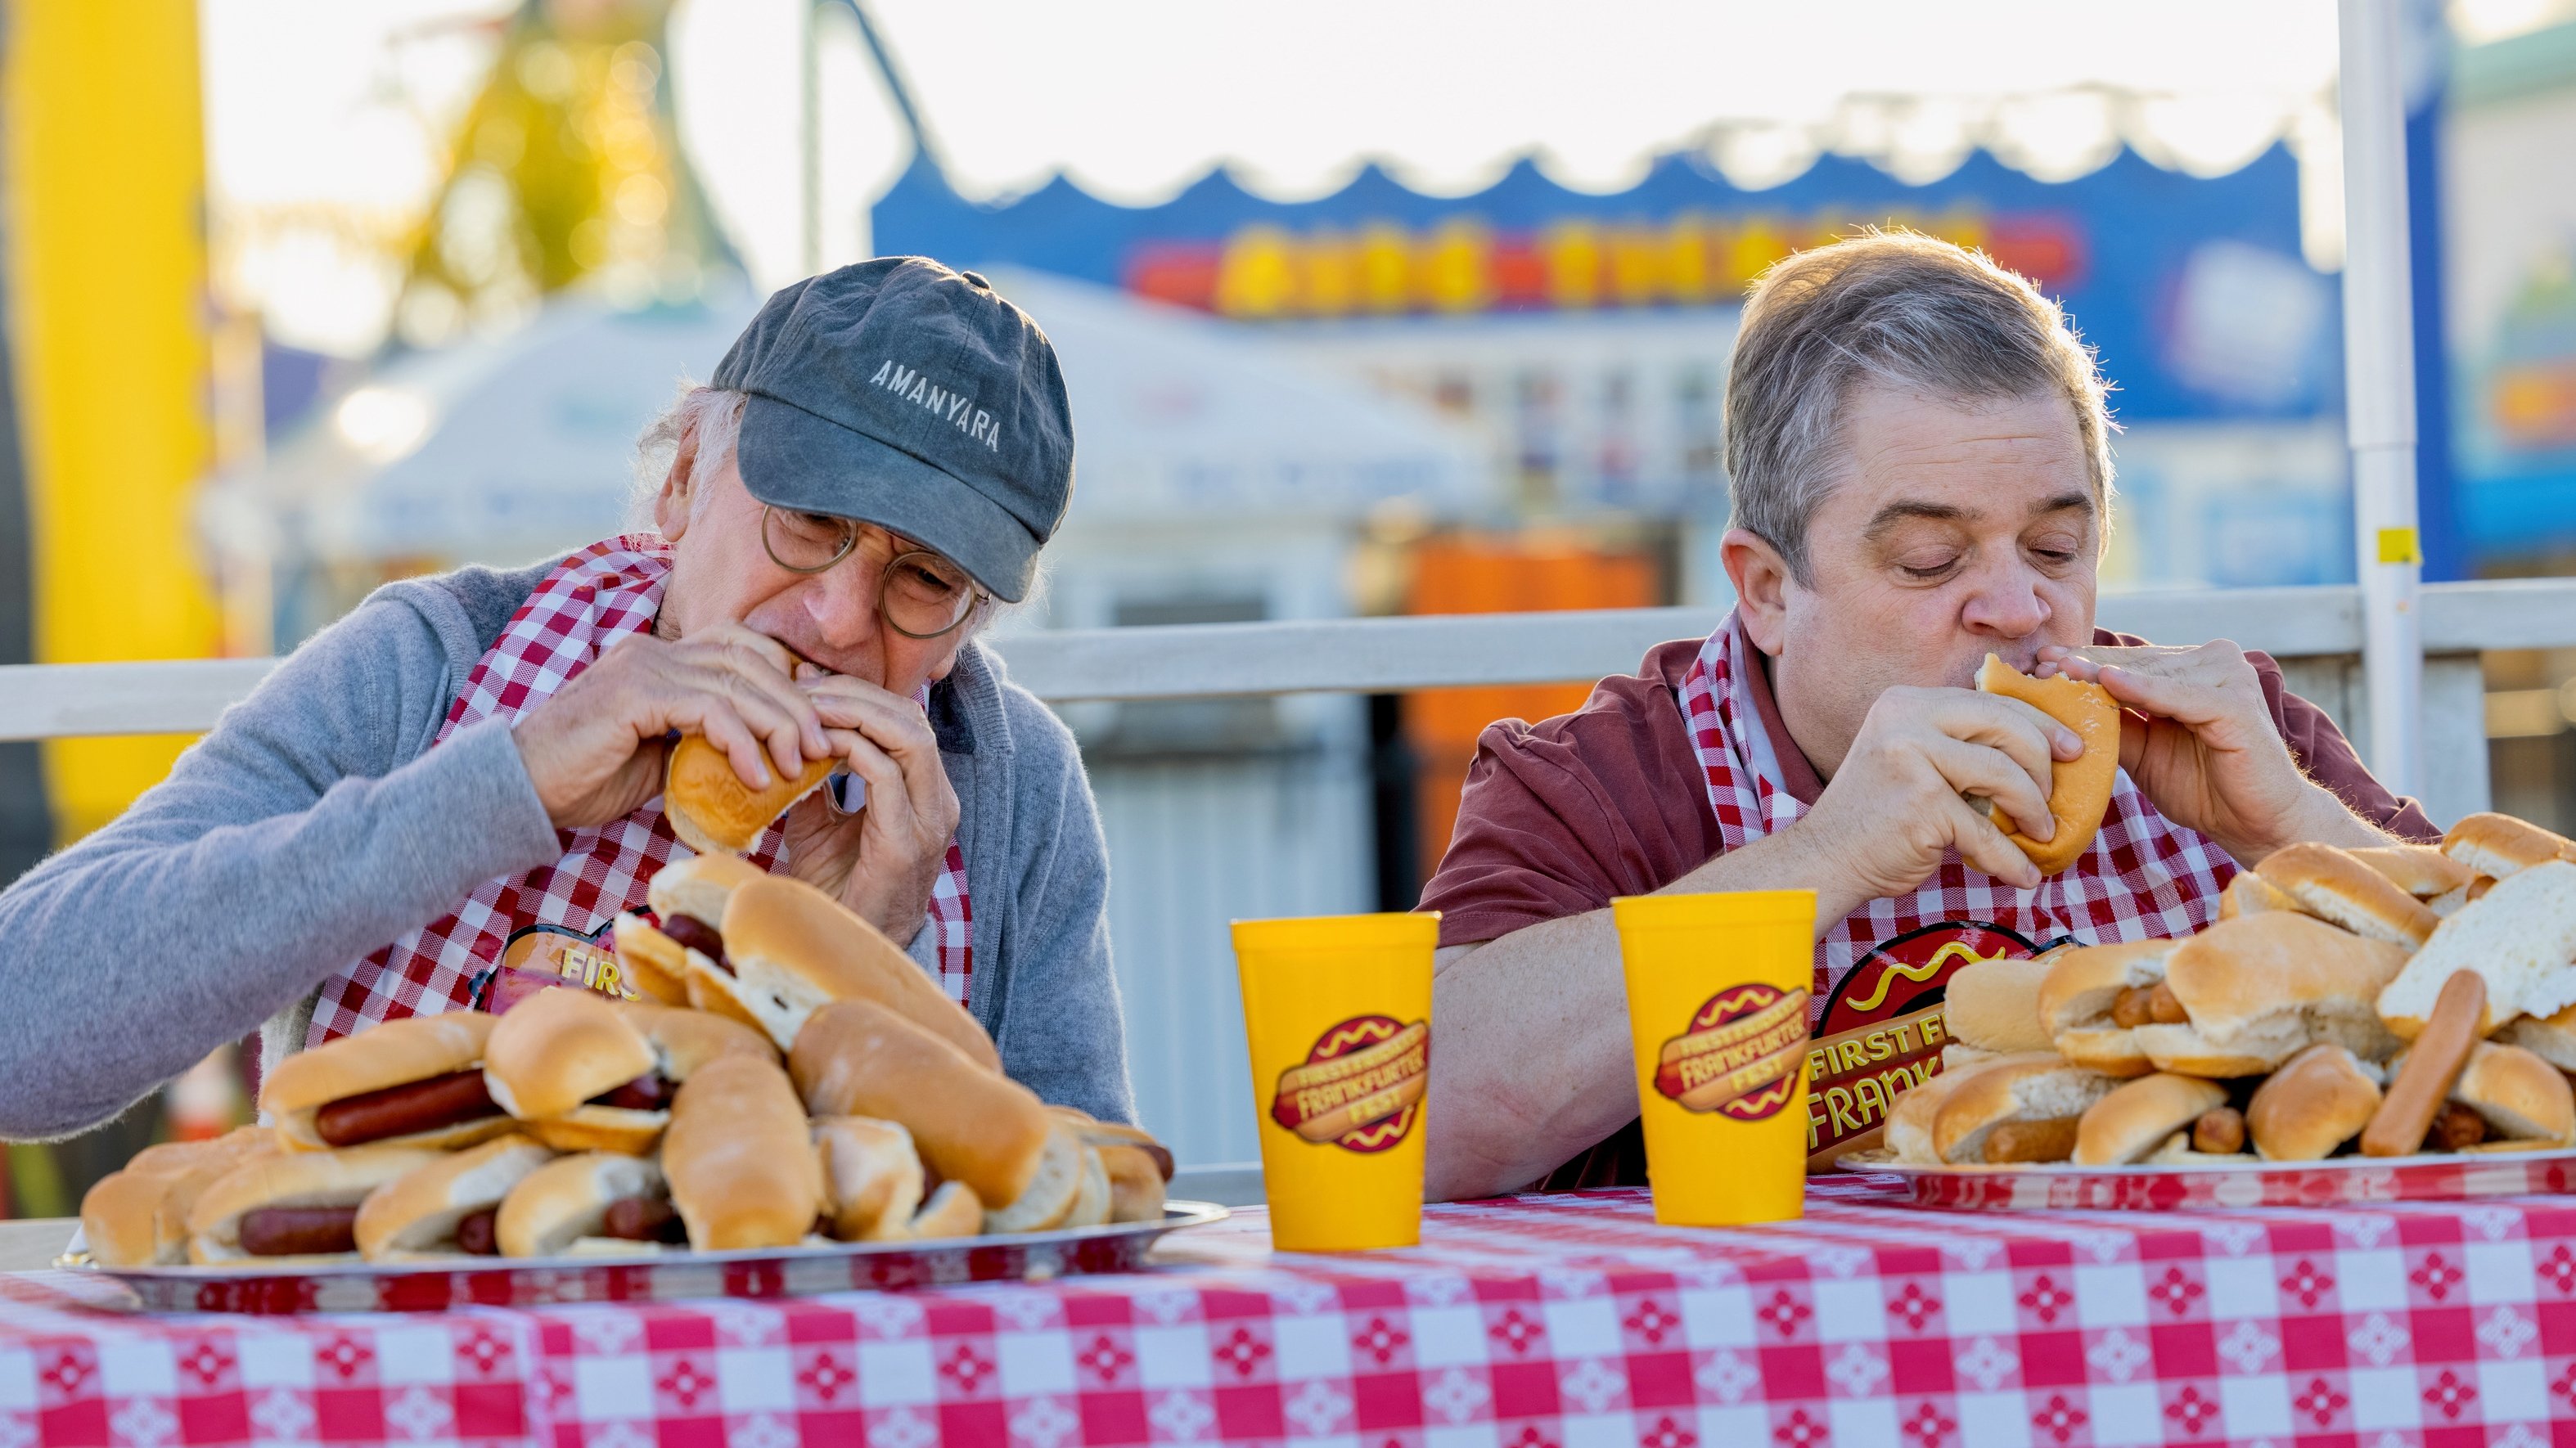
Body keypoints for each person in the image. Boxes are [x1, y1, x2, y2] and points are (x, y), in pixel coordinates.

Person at [0, 257, 1130, 1138]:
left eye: (923, 578)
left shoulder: (1006, 781)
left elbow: (1065, 1222)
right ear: (685, 478)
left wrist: (861, 960)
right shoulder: (428, 663)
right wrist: (511, 779)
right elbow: (21, 1035)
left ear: (971, 621)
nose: (840, 617)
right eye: (809, 523)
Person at [1417, 232, 2436, 1200]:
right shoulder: (1610, 779)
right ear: (1768, 589)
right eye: (1930, 562)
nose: (2017, 608)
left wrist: (2294, 834)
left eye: (2053, 549)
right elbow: (1419, 1118)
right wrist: (1822, 856)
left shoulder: (2222, 732)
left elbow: (2530, 1001)